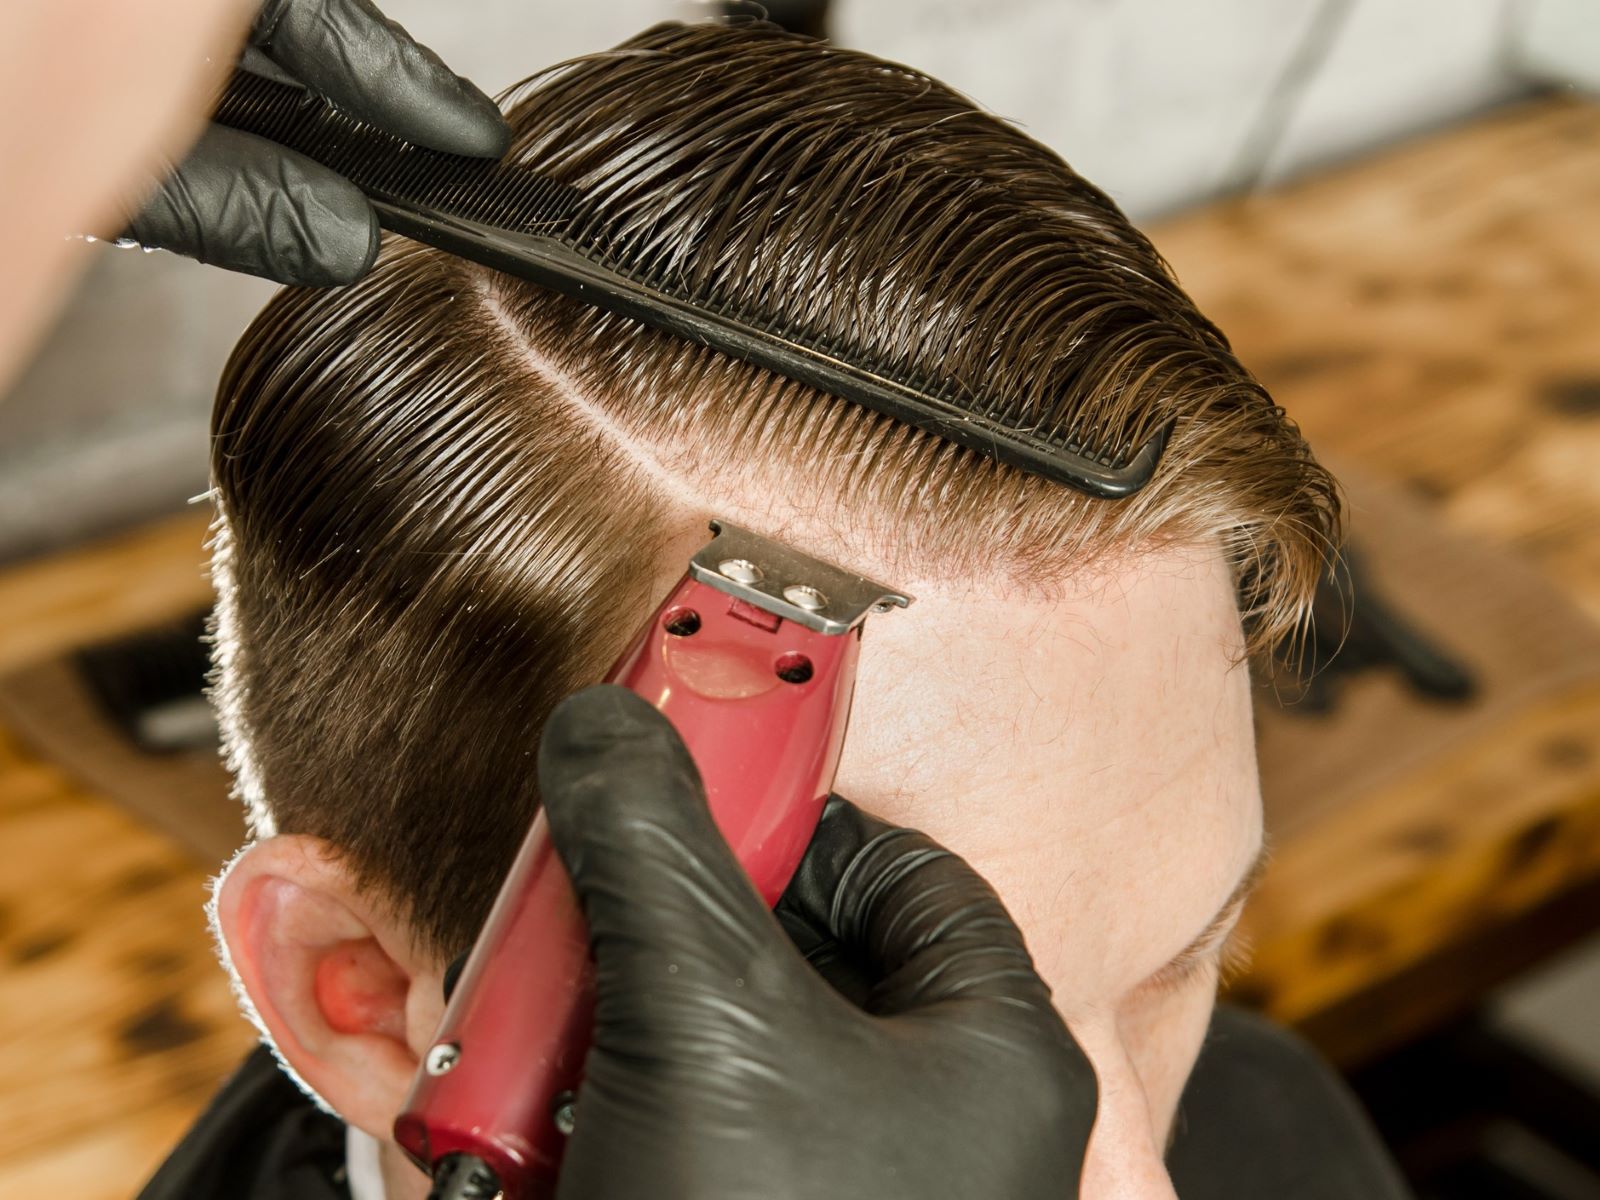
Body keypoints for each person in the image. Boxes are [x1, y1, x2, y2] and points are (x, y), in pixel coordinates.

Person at [132, 18, 1415, 1200]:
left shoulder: (1286, 1133)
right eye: (880, 1027)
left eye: (1184, 964)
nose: (1139, 1185)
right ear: (350, 995)